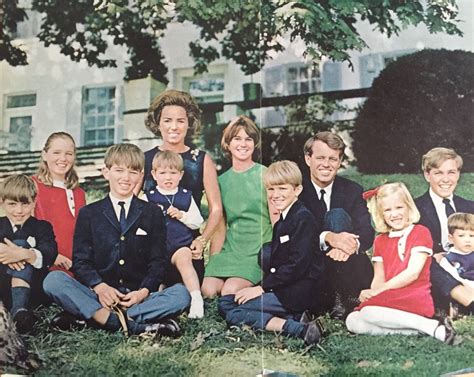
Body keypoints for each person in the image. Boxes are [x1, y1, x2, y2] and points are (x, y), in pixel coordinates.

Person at [43, 144, 190, 336]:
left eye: (133, 172)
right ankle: (127, 323)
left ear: (141, 175)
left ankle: (98, 319)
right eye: (119, 170)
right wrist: (100, 287)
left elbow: (158, 261)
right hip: (99, 295)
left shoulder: (152, 212)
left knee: (181, 294)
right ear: (106, 172)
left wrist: (143, 292)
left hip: (138, 297)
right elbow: (81, 261)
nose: (126, 178)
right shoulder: (89, 213)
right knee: (54, 280)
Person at [218, 161, 327, 345]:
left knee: (234, 313)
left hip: (298, 291)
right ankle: (295, 316)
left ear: (297, 190)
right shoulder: (283, 219)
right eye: (271, 189)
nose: (275, 195)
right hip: (283, 287)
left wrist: (261, 288)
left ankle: (299, 329)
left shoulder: (303, 218)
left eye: (282, 189)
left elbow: (297, 265)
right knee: (226, 302)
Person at [345, 183, 456, 344]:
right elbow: (379, 278)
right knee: (353, 320)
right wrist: (370, 293)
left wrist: (379, 292)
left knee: (369, 312)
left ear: (408, 207)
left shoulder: (420, 232)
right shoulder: (380, 240)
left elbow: (412, 273)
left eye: (399, 207)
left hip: (413, 295)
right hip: (390, 296)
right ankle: (421, 330)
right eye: (388, 210)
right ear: (381, 214)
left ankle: (433, 326)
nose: (394, 214)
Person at [143, 89, 223, 285]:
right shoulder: (145, 159)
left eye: (180, 121)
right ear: (158, 123)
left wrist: (202, 241)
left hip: (188, 248)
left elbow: (216, 209)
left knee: (184, 290)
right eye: (167, 120)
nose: (174, 127)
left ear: (189, 123)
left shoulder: (201, 160)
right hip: (150, 248)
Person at [299, 131, 374, 318]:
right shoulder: (297, 190)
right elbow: (299, 234)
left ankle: (341, 297)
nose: (326, 164)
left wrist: (347, 246)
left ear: (340, 162)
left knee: (337, 216)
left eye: (333, 159)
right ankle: (337, 298)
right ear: (308, 159)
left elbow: (366, 232)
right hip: (314, 270)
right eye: (320, 157)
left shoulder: (352, 190)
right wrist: (330, 238)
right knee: (336, 217)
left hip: (350, 268)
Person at [202, 116, 275, 297]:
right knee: (208, 290)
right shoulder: (221, 181)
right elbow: (220, 227)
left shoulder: (266, 174)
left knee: (230, 290)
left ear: (255, 144)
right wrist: (214, 261)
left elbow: (277, 220)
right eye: (237, 138)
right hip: (232, 248)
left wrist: (275, 258)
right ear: (227, 144)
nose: (243, 144)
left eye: (248, 139)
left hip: (258, 248)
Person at [145, 150, 205, 318]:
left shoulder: (186, 196)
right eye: (163, 173)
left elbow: (198, 221)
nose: (168, 177)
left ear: (181, 175)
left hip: (180, 245)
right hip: (157, 249)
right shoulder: (148, 197)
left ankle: (196, 298)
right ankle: (158, 301)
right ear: (154, 174)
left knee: (185, 261)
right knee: (155, 276)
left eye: (173, 172)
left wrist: (182, 215)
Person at [415, 147, 474, 313]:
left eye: (451, 172)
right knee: (428, 264)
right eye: (438, 173)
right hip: (436, 267)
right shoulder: (416, 209)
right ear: (427, 175)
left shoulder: (470, 207)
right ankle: (467, 300)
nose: (446, 179)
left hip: (468, 262)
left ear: (458, 174)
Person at [0, 175, 57, 333]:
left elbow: (50, 253)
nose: (19, 211)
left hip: (34, 289)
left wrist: (23, 254)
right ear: (2, 202)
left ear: (34, 202)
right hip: (3, 286)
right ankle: (18, 310)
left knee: (21, 244)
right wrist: (5, 252)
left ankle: (20, 309)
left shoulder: (42, 227)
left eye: (25, 204)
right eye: (12, 204)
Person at [32, 132, 86, 276]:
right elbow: (25, 228)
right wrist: (51, 255)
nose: (63, 158)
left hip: (76, 267)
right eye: (56, 152)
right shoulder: (32, 186)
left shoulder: (79, 193)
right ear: (44, 154)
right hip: (45, 266)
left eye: (69, 153)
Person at [439, 213, 474, 290]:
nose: (467, 240)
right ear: (451, 239)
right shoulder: (448, 260)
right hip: (466, 291)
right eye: (461, 236)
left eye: (472, 236)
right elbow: (456, 281)